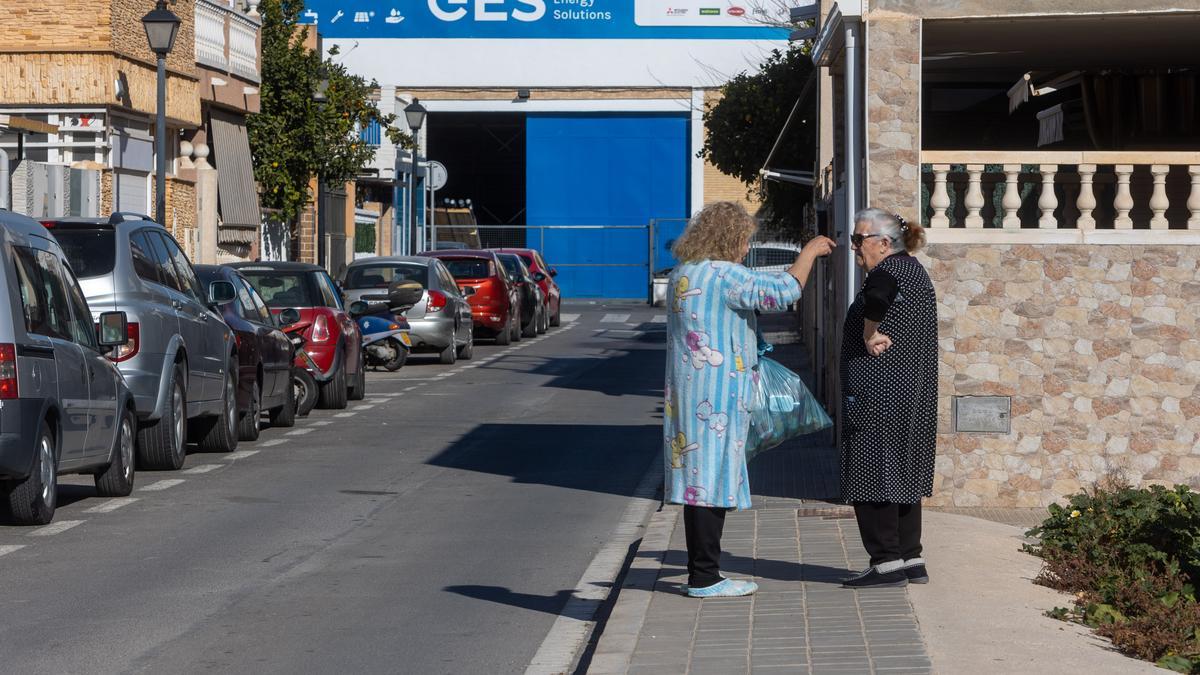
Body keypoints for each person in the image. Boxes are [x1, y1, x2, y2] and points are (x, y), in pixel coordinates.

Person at [664, 201, 835, 598]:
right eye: (744, 239)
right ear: (730, 238)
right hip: (720, 394)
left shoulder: (683, 274)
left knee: (698, 481)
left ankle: (702, 571)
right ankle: (704, 577)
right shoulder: (725, 275)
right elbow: (782, 292)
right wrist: (808, 252)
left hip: (688, 391)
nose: (746, 248)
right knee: (711, 480)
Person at [839, 208, 939, 589]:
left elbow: (878, 299)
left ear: (883, 243)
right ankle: (911, 558)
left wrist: (867, 334)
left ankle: (885, 562)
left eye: (858, 239)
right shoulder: (913, 270)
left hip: (879, 393)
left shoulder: (887, 273)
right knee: (902, 470)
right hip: (908, 392)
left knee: (872, 470)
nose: (853, 247)